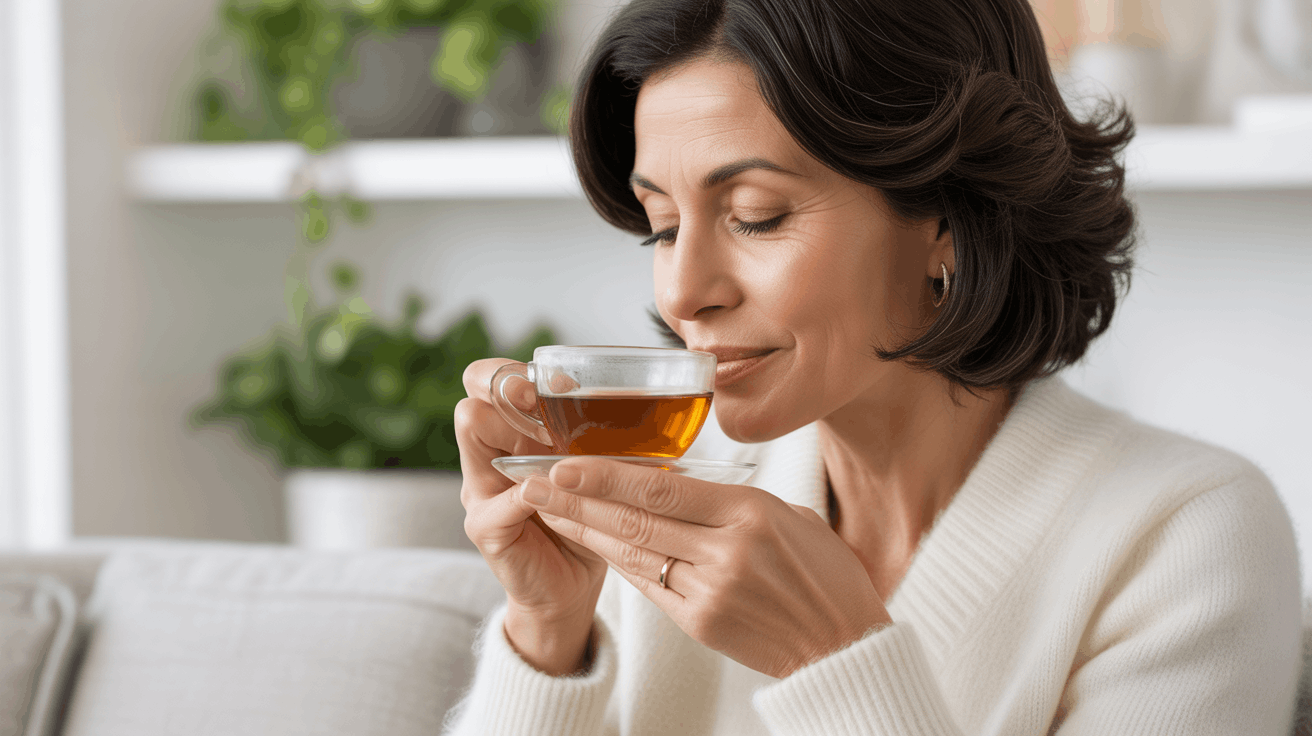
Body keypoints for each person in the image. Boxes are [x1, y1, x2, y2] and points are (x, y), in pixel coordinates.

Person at [445, 0, 1303, 733]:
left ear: (945, 219)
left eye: (756, 215)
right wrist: (548, 633)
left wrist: (836, 660)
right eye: (663, 227)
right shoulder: (661, 510)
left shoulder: (1185, 537)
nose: (682, 292)